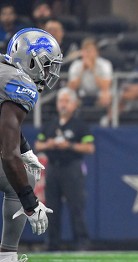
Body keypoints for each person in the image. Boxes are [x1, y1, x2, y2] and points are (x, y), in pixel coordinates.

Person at [0, 27, 62, 262]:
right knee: (21, 179)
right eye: (47, 66)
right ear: (30, 61)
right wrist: (30, 200)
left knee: (23, 172)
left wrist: (26, 150)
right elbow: (7, 152)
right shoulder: (19, 84)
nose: (49, 74)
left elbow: (6, 127)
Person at [35, 87, 95, 251]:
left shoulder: (79, 125)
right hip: (53, 167)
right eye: (61, 101)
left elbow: (89, 148)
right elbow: (38, 144)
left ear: (74, 104)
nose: (63, 105)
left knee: (76, 206)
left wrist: (69, 145)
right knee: (52, 207)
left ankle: (81, 242)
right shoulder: (51, 124)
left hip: (72, 167)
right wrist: (50, 144)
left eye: (67, 101)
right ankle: (52, 243)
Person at [67, 37, 113, 124]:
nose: (87, 54)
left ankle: (105, 119)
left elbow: (105, 86)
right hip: (82, 92)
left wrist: (92, 69)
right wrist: (82, 71)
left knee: (106, 94)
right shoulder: (76, 65)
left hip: (99, 92)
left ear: (96, 52)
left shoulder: (105, 64)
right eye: (85, 51)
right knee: (68, 94)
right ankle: (71, 121)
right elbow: (72, 87)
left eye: (90, 51)